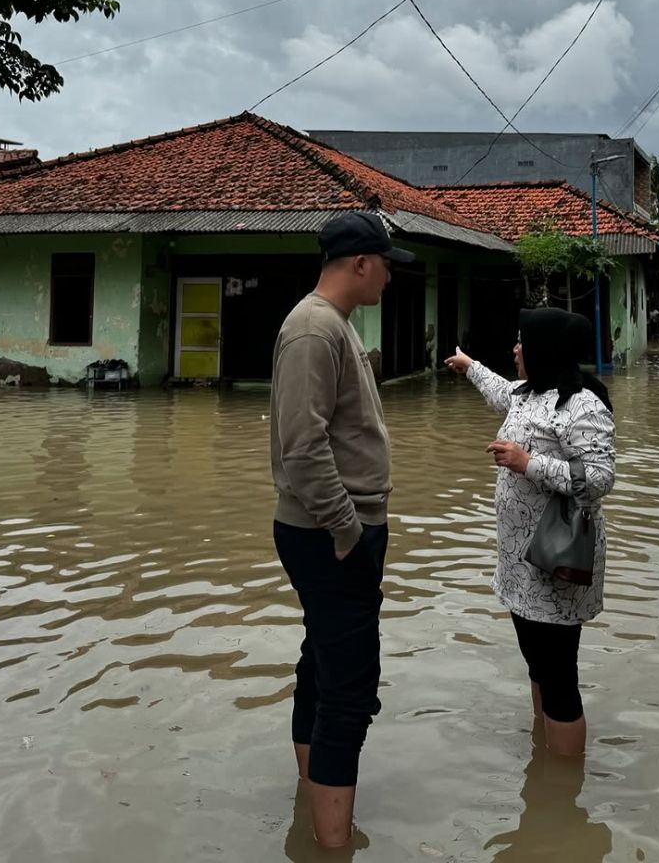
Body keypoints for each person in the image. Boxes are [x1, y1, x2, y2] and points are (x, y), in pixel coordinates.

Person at [269, 210, 414, 848]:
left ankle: (316, 814)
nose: (390, 276)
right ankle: (333, 843)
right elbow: (302, 448)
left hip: (336, 530)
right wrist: (348, 529)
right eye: (385, 264)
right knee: (350, 689)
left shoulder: (333, 325)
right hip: (330, 534)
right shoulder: (312, 330)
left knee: (323, 667)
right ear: (360, 263)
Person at [444, 309, 615, 757]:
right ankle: (544, 764)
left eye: (522, 341)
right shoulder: (528, 393)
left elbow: (599, 478)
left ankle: (562, 795)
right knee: (537, 666)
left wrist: (528, 463)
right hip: (520, 563)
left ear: (546, 349)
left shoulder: (584, 405)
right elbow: (501, 391)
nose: (515, 348)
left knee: (559, 677)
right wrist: (469, 366)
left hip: (557, 561)